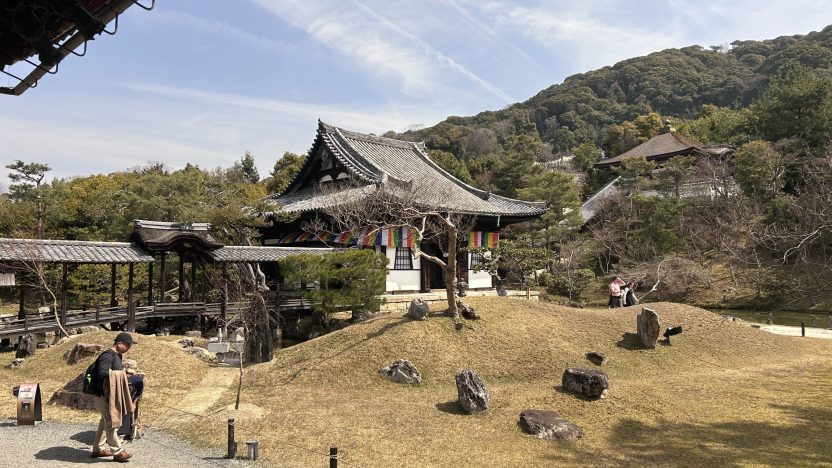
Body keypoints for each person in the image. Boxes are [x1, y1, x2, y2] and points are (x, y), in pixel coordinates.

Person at [89, 332, 136, 462]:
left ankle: (97, 449)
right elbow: (102, 373)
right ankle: (118, 451)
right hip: (102, 396)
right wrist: (123, 372)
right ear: (119, 343)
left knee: (104, 422)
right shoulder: (107, 356)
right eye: (127, 345)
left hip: (107, 396)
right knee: (110, 423)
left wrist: (123, 372)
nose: (129, 348)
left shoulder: (117, 356)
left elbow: (114, 373)